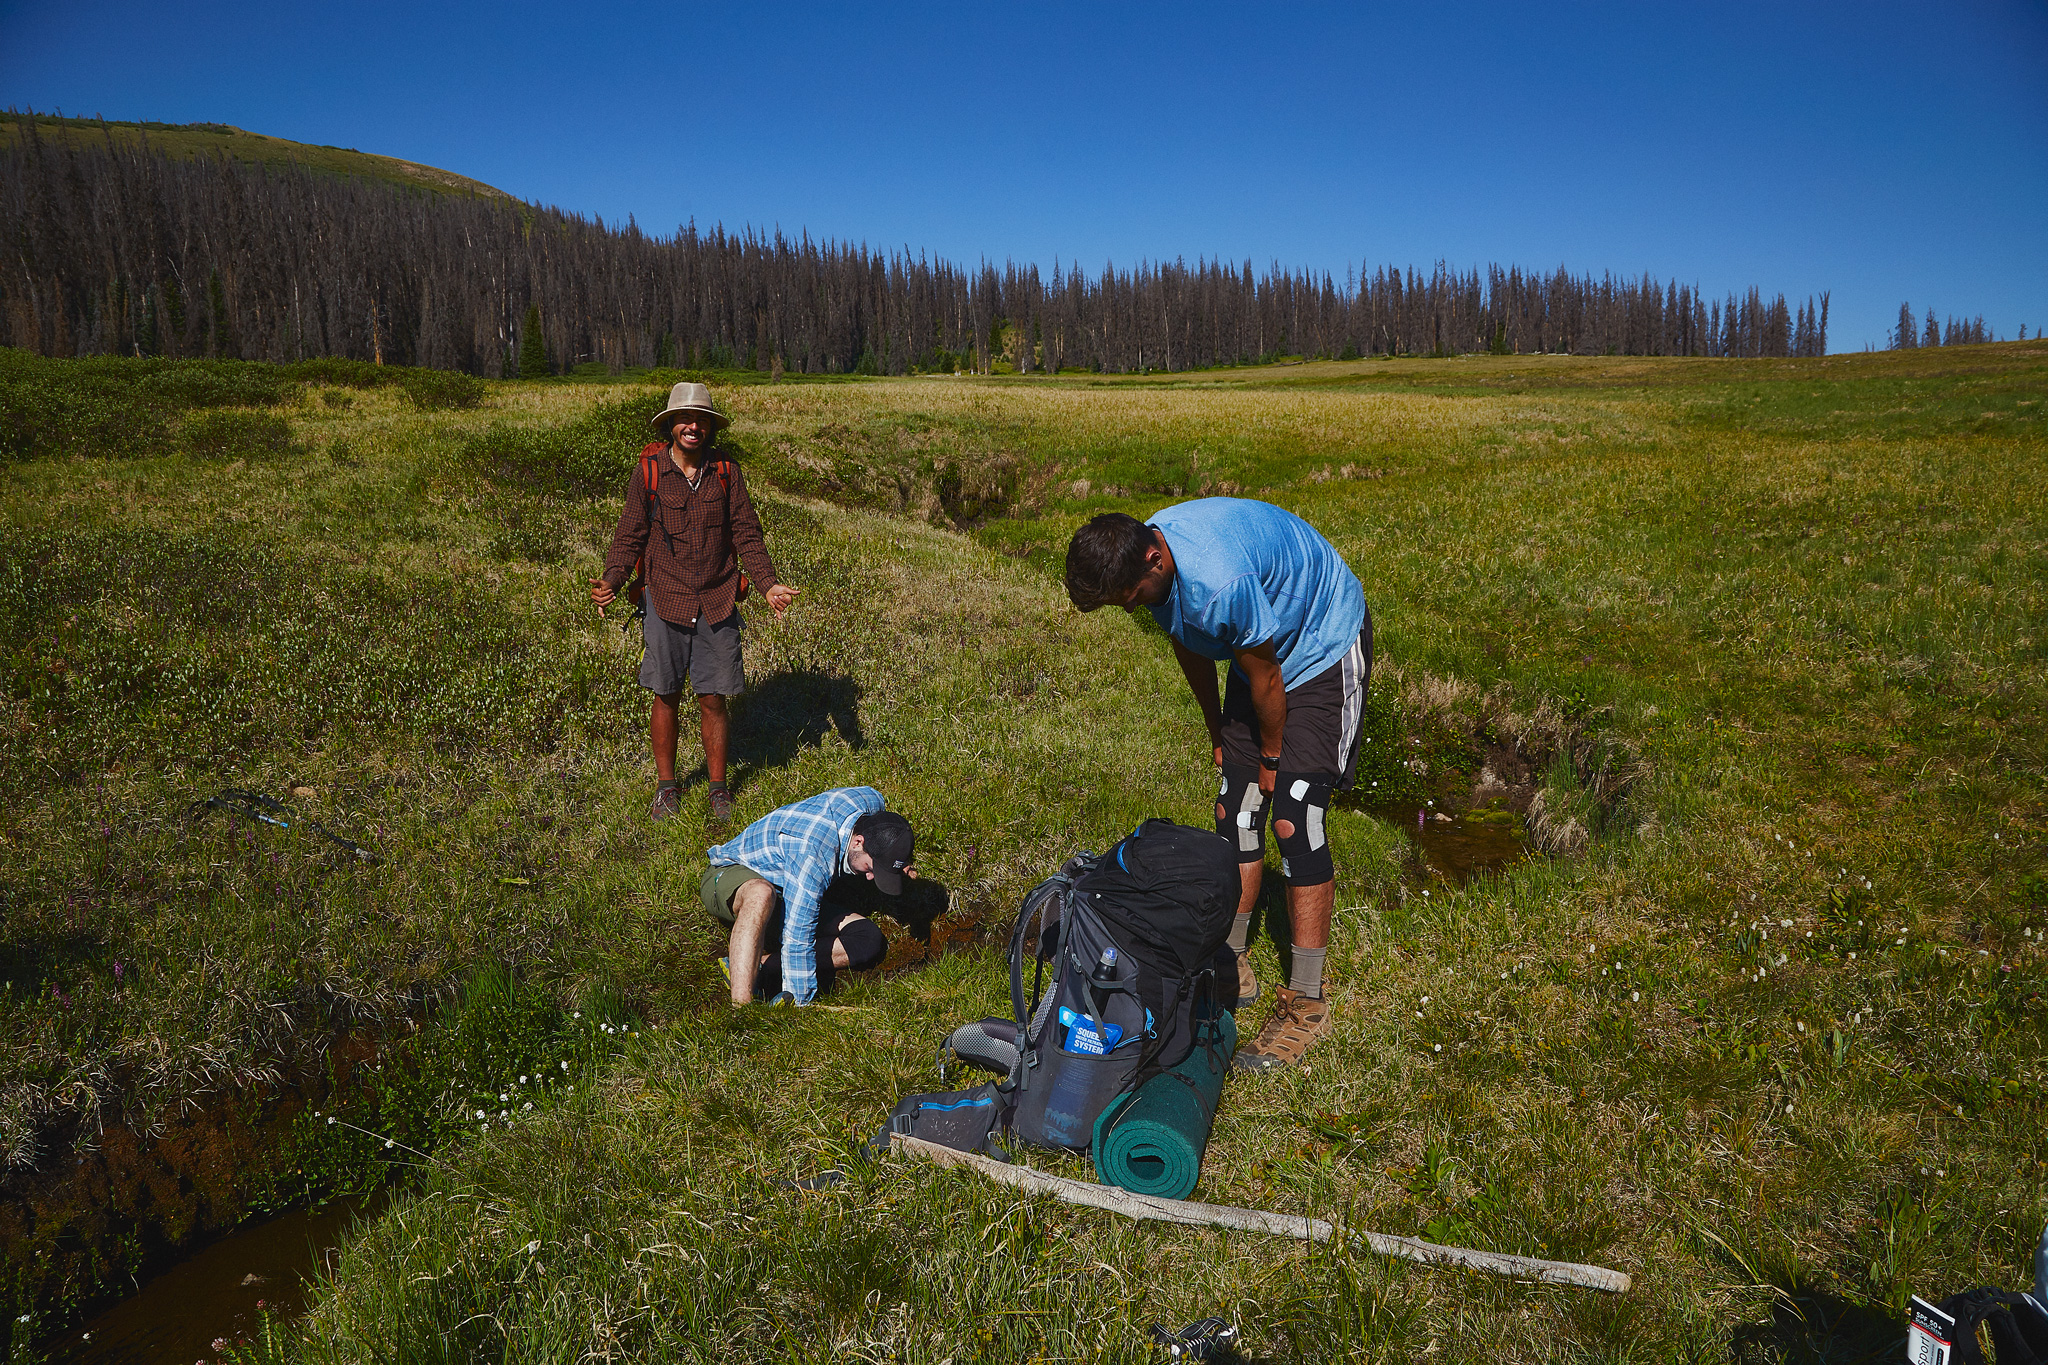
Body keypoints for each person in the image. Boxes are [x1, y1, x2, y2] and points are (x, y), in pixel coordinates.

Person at [1063, 500, 1371, 1072]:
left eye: (1128, 596)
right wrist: (1217, 728)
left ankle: (1308, 999)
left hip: (1319, 643)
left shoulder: (1219, 580)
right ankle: (1230, 957)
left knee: (1293, 816)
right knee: (1237, 809)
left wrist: (1273, 759)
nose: (1128, 606)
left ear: (1154, 558)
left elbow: (1268, 675)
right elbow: (1190, 640)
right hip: (1261, 651)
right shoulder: (1152, 563)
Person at [590, 381, 799, 822]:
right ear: (670, 425)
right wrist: (613, 579)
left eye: (700, 419)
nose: (692, 426)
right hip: (664, 597)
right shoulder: (649, 473)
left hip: (719, 600)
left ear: (709, 427)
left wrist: (767, 585)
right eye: (684, 419)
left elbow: (746, 534)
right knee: (665, 695)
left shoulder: (727, 472)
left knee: (713, 698)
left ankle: (718, 790)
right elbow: (630, 534)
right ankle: (668, 788)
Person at [700, 785, 913, 1006]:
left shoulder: (871, 803)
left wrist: (895, 866)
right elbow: (797, 937)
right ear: (858, 841)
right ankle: (742, 1005)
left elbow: (890, 833)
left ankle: (754, 964)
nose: (870, 877)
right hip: (730, 874)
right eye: (870, 867)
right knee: (761, 893)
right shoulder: (812, 855)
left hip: (786, 889)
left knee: (867, 939)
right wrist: (798, 1001)